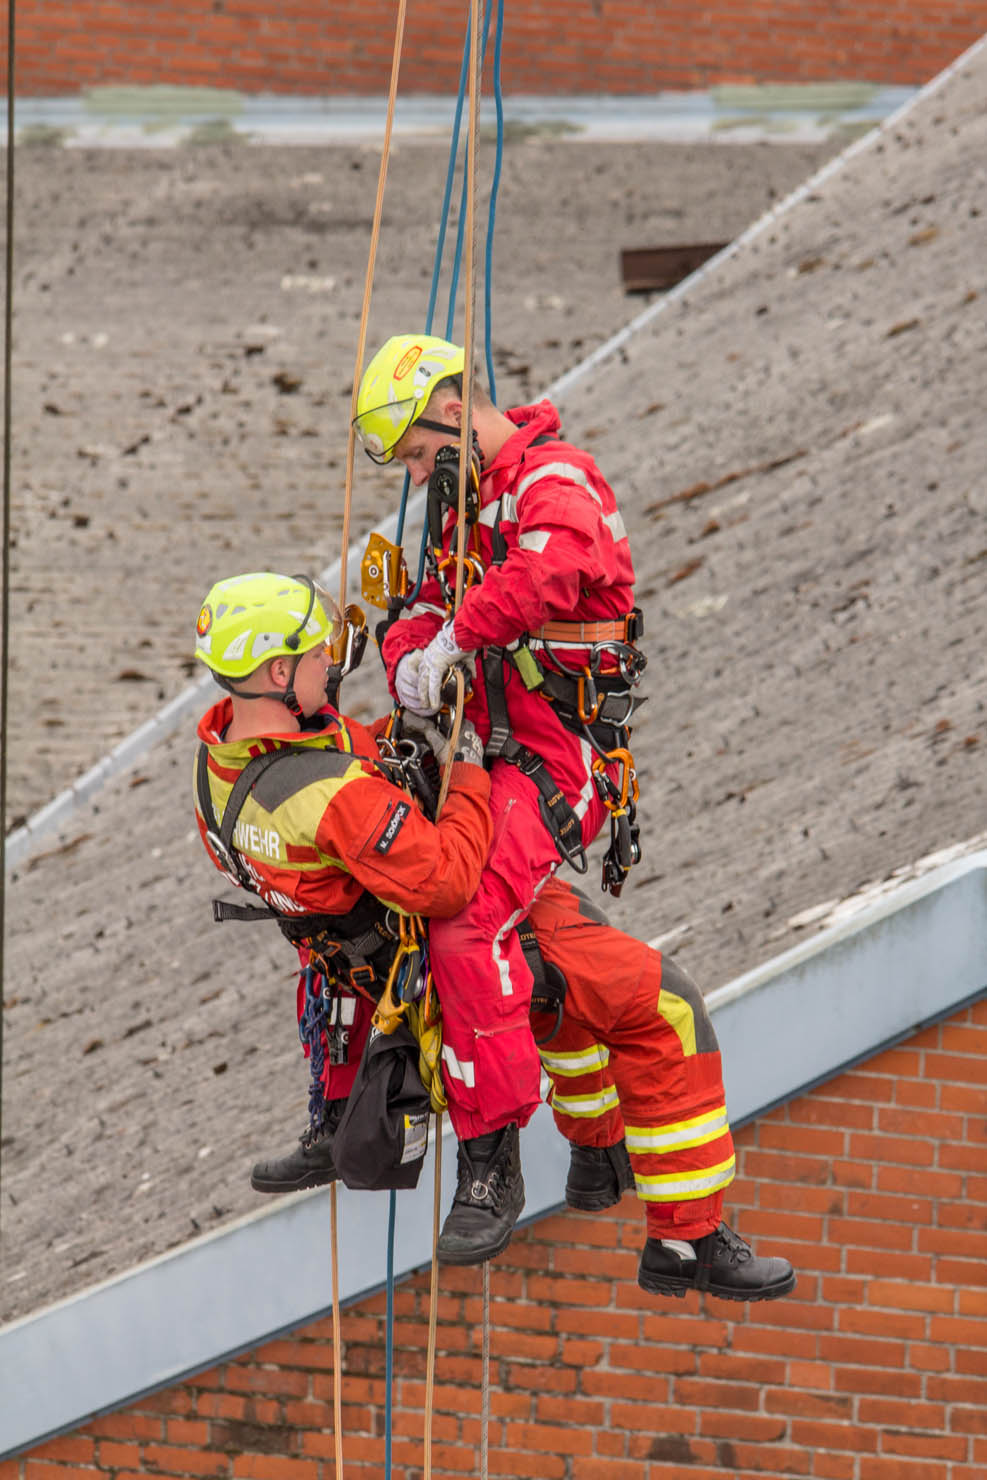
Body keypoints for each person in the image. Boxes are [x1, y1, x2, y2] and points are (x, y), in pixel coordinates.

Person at [192, 571, 796, 1299]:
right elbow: (445, 878)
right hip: (436, 954)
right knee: (667, 1006)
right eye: (318, 653)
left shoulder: (220, 768)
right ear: (278, 674)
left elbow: (336, 778)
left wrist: (388, 745)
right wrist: (471, 771)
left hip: (363, 962)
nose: (332, 660)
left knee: (578, 934)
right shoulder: (330, 797)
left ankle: (594, 1160)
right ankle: (683, 1239)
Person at [352, 333, 645, 1260]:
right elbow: (424, 605)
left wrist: (456, 637)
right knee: (374, 890)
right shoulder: (462, 508)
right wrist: (411, 656)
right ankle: (587, 1138)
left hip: (557, 755)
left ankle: (490, 1158)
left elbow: (544, 573)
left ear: (451, 411)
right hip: (483, 755)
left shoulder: (553, 479)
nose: (415, 474)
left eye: (415, 452)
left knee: (465, 918)